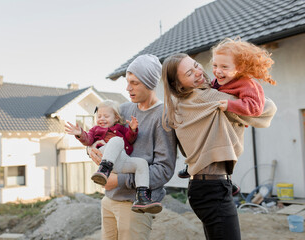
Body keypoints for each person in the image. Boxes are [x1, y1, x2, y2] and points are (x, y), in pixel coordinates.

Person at [161, 53, 277, 240]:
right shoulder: (208, 96)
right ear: (178, 85)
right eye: (189, 73)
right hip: (213, 188)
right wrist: (243, 85)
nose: (199, 73)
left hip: (203, 187)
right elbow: (265, 109)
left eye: (196, 66)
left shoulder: (180, 104)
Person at [88, 54, 177, 240]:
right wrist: (92, 149)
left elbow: (164, 170)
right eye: (128, 82)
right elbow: (99, 133)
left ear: (149, 82)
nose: (128, 88)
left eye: (134, 83)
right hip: (109, 198)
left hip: (134, 205)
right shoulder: (125, 109)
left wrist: (119, 180)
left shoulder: (163, 117)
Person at [177, 37, 276, 196]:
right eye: (215, 65)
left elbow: (255, 107)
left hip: (235, 124)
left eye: (224, 66)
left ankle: (228, 181)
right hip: (223, 120)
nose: (217, 71)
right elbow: (210, 91)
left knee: (227, 150)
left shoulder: (247, 84)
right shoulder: (219, 80)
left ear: (239, 68)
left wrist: (231, 105)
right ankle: (194, 166)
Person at [64, 99, 162, 214]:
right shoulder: (95, 129)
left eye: (106, 116)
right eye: (99, 116)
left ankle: (141, 196)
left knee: (141, 163)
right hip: (105, 154)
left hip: (121, 160)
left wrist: (133, 129)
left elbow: (130, 139)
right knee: (116, 140)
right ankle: (103, 170)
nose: (102, 119)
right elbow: (88, 140)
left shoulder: (120, 128)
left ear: (116, 118)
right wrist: (80, 134)